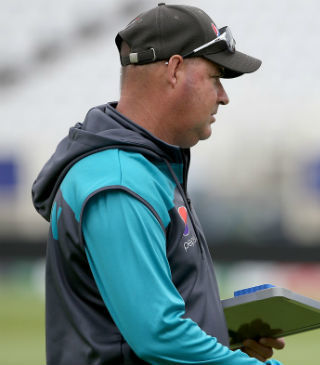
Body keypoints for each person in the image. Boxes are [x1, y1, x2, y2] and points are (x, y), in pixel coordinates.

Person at [31, 4, 285, 365]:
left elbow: (136, 327)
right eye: (216, 77)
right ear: (176, 69)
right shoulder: (119, 182)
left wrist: (219, 337)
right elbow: (159, 337)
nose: (224, 96)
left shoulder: (143, 168)